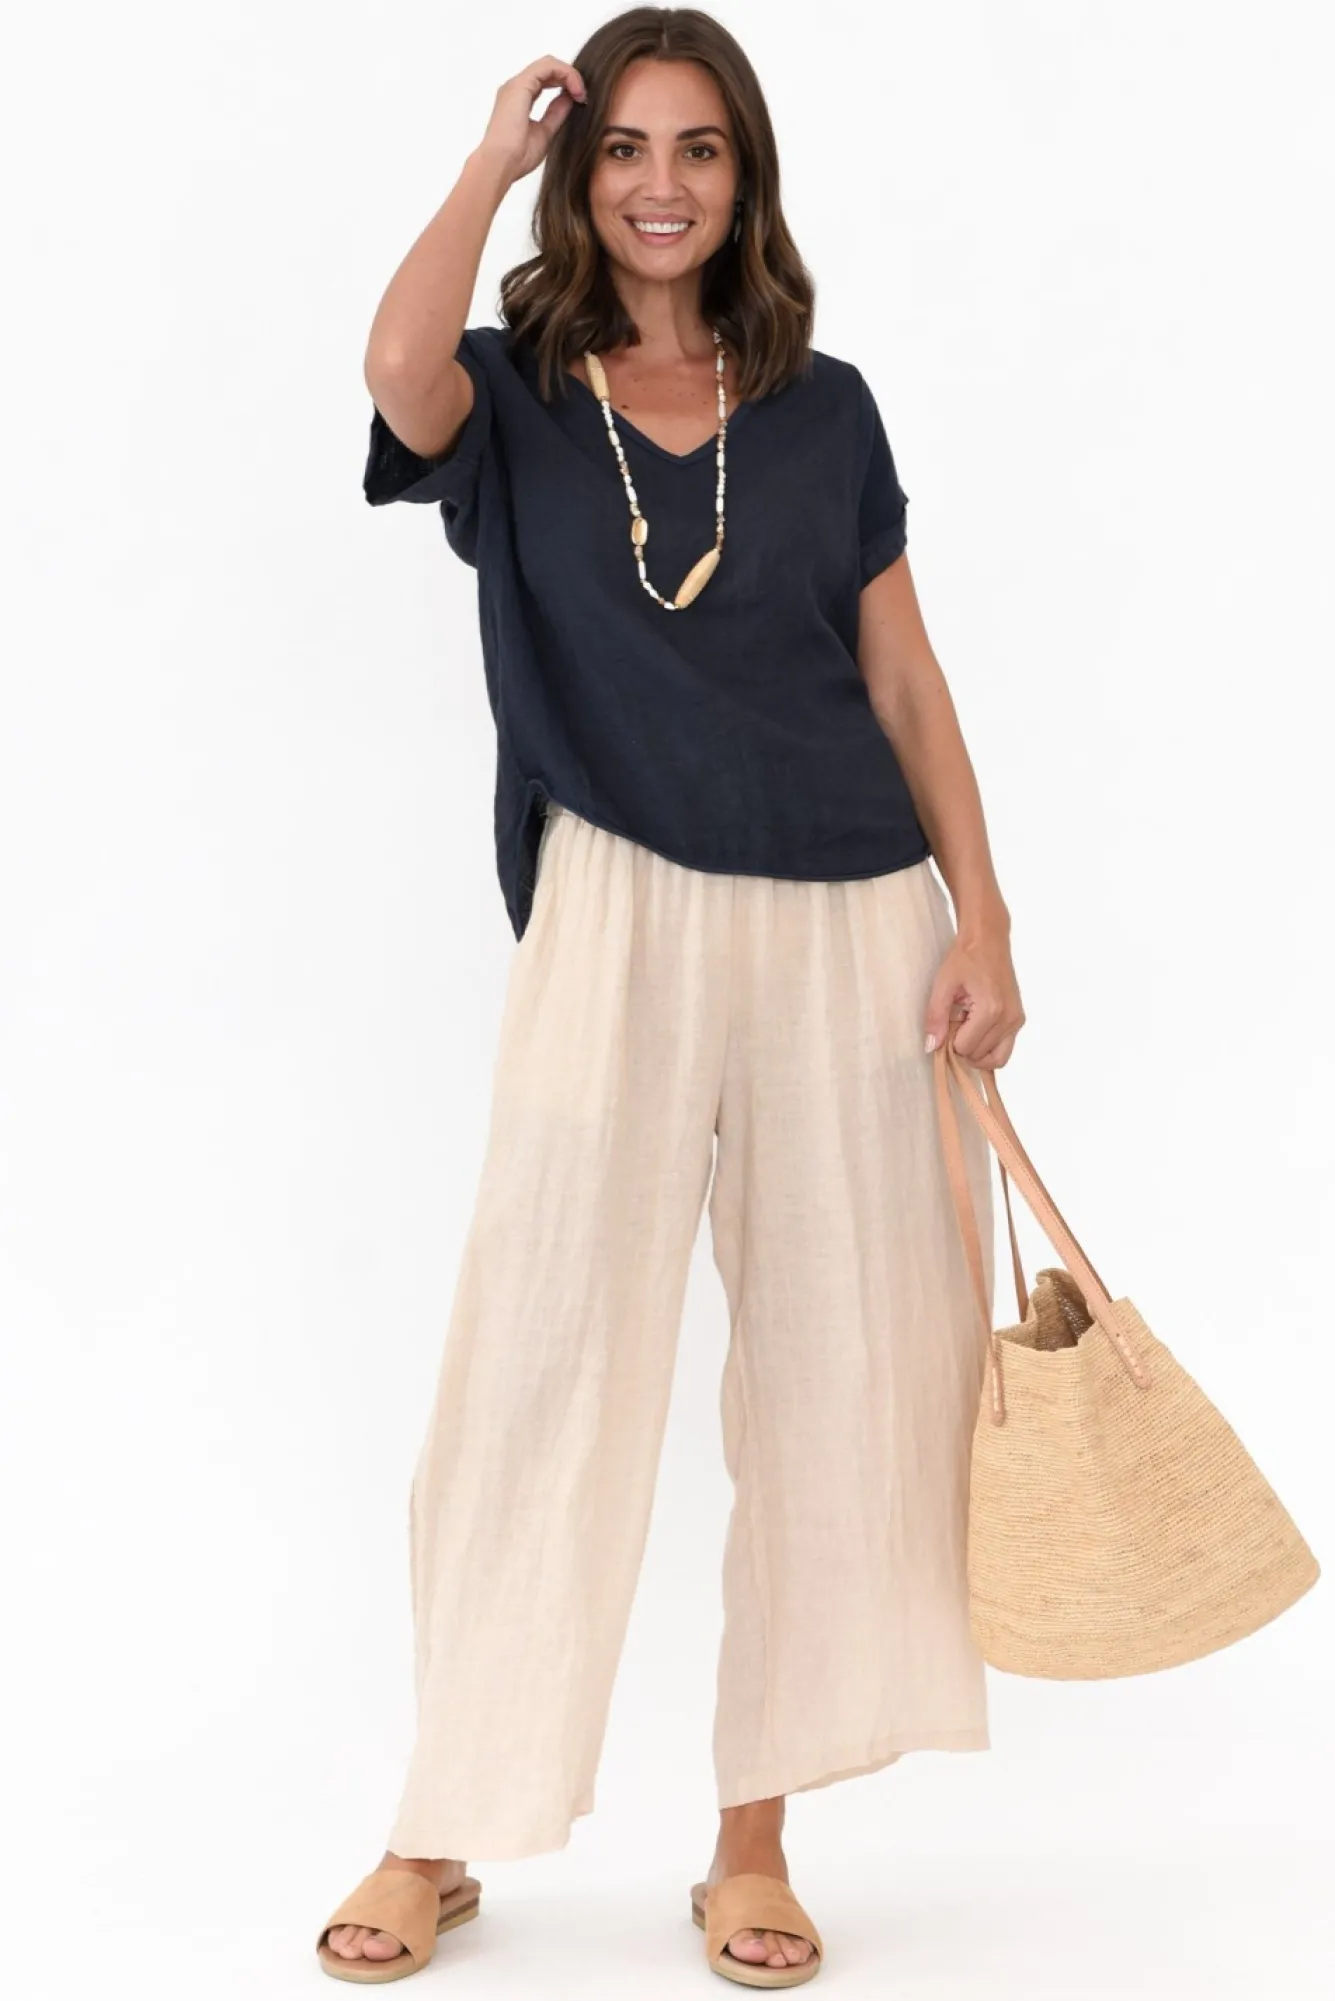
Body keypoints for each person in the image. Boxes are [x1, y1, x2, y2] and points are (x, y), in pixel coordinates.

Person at [315, 6, 1024, 1987]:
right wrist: (488, 155)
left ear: (743, 178)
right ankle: (440, 1822)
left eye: (697, 148)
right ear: (580, 172)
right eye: (622, 147)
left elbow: (902, 678)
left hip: (851, 922)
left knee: (838, 1368)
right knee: (536, 1355)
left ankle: (752, 1838)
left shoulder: (826, 410)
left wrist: (982, 917)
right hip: (614, 906)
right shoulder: (516, 392)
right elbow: (391, 374)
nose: (658, 183)